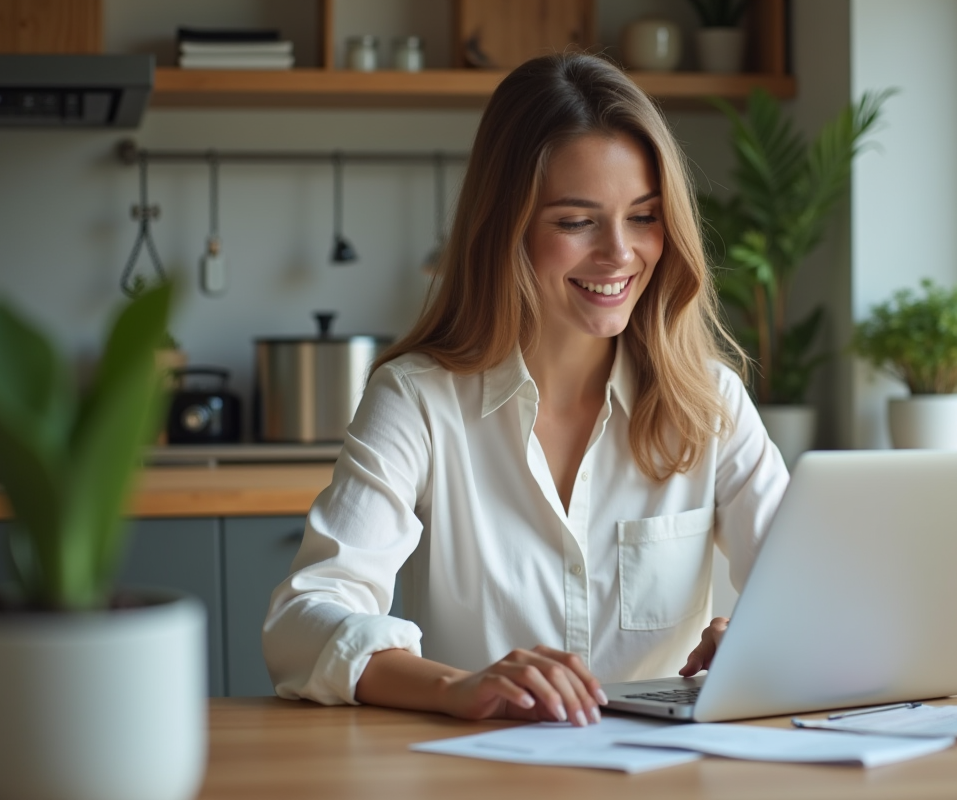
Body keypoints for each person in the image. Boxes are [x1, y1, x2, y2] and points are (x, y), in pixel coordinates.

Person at [263, 52, 789, 728]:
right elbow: (302, 622)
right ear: (506, 228)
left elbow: (818, 600)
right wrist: (457, 686)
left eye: (644, 216)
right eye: (576, 222)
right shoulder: (418, 401)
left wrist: (756, 644)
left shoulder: (707, 401)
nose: (620, 253)